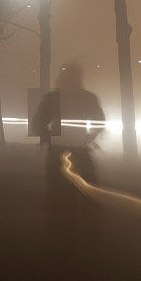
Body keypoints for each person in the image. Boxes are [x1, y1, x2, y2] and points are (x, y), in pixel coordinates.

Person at [32, 60, 106, 244]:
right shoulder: (88, 97)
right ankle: (90, 235)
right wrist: (89, 138)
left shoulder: (52, 98)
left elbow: (38, 123)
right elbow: (100, 122)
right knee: (88, 190)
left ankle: (57, 234)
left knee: (57, 192)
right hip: (80, 150)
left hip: (57, 151)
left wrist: (48, 138)